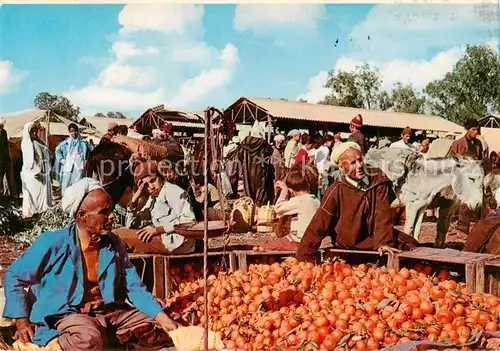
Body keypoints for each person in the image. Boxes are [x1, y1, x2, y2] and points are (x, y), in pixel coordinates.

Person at [2, 178, 178, 351]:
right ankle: (55, 345)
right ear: (82, 216)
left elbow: (134, 287)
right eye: (104, 212)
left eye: (111, 210)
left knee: (162, 323)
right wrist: (22, 321)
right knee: (89, 338)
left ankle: (105, 338)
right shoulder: (52, 242)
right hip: (66, 314)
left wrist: (161, 317)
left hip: (106, 312)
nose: (112, 216)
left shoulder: (114, 244)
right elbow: (14, 276)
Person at [296, 142, 417, 263]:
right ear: (342, 168)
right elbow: (320, 222)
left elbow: (383, 214)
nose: (359, 165)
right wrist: (304, 256)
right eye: (352, 163)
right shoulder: (336, 189)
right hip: (347, 241)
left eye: (360, 160)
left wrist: (384, 242)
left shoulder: (377, 179)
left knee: (410, 244)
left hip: (374, 237)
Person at [114, 161, 197, 254]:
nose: (151, 187)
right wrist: (133, 202)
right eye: (146, 185)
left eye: (153, 180)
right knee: (118, 232)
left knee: (117, 235)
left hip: (178, 242)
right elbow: (131, 226)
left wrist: (156, 230)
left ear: (160, 177)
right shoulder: (153, 199)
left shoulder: (172, 191)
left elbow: (189, 221)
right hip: (166, 240)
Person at [263, 163, 320, 251]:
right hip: (313, 242)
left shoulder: (299, 201)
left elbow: (278, 208)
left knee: (266, 246)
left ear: (292, 190)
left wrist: (284, 192)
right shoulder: (316, 201)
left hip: (297, 242)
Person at [228, 121, 275, 206]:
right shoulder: (263, 144)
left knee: (248, 190)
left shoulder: (245, 144)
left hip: (247, 171)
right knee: (260, 190)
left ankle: (250, 208)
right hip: (260, 170)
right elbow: (270, 152)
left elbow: (238, 156)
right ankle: (258, 207)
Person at [450, 118, 483, 234]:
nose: (476, 132)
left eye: (477, 130)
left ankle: (464, 227)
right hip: (460, 176)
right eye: (473, 130)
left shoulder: (479, 144)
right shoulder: (457, 143)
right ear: (467, 130)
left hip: (473, 177)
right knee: (457, 202)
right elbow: (451, 161)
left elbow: (480, 159)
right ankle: (457, 225)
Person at [20, 122, 53, 218]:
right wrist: (38, 171)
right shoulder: (29, 144)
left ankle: (42, 212)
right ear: (28, 132)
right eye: (32, 131)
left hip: (42, 171)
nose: (35, 133)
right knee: (34, 194)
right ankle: (32, 214)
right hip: (33, 173)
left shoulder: (38, 142)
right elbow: (29, 161)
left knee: (41, 193)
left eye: (36, 130)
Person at [55, 123, 93, 196]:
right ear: (69, 132)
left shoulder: (83, 142)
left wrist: (87, 160)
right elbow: (57, 150)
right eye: (71, 131)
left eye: (75, 131)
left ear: (78, 131)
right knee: (66, 185)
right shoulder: (66, 142)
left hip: (79, 167)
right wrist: (62, 160)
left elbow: (93, 150)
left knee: (77, 186)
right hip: (68, 167)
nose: (74, 133)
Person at [0, 117, 11, 196]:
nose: (2, 127)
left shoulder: (4, 132)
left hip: (4, 160)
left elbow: (6, 146)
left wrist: (8, 158)